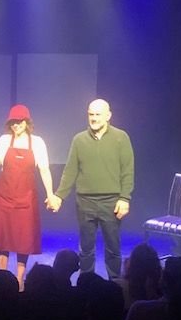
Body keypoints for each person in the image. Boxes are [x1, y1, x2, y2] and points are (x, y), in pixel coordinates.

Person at [0, 104, 55, 289]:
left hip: (26, 198)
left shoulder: (37, 142)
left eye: (20, 121)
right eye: (13, 122)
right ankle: (2, 277)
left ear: (27, 122)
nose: (16, 125)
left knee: (24, 240)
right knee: (2, 238)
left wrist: (50, 194)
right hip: (4, 197)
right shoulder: (4, 141)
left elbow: (44, 169)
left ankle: (19, 279)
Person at [47, 98, 134, 279]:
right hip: (85, 201)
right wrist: (59, 196)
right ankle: (86, 284)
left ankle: (115, 284)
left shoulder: (121, 137)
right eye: (91, 114)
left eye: (98, 114)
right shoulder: (79, 140)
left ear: (108, 116)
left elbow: (127, 170)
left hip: (111, 201)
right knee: (86, 248)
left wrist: (124, 198)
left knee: (113, 247)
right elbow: (70, 171)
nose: (94, 118)